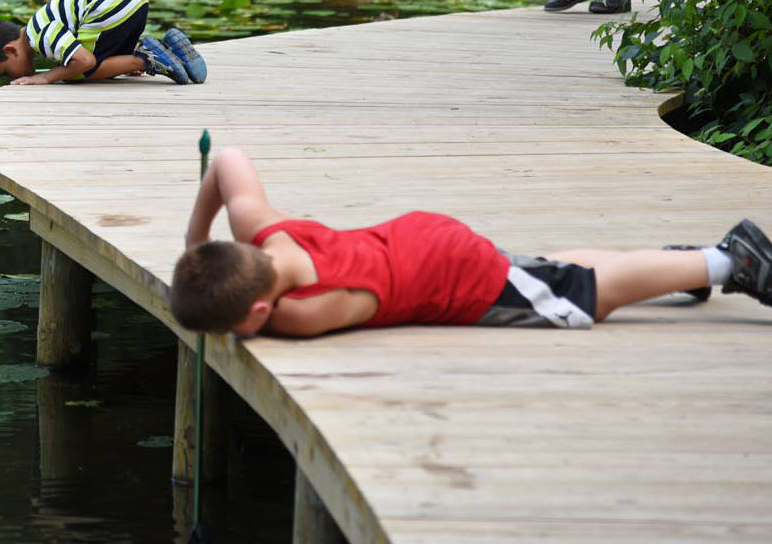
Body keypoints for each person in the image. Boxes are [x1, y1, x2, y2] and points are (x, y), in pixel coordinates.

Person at [169, 146, 772, 336]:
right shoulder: (265, 233)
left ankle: (728, 262)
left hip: (456, 278)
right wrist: (197, 240)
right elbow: (229, 159)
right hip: (421, 236)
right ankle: (681, 269)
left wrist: (233, 320)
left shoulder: (299, 314)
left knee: (584, 296)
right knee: (547, 271)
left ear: (257, 310)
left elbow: (263, 325)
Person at [0, 0, 207, 86]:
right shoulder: (39, 22)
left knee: (75, 74)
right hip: (134, 0)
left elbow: (84, 61)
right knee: (83, 63)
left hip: (110, 6)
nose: (12, 78)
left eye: (5, 72)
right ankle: (172, 47)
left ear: (11, 50)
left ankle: (146, 59)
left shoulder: (39, 35)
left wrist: (46, 77)